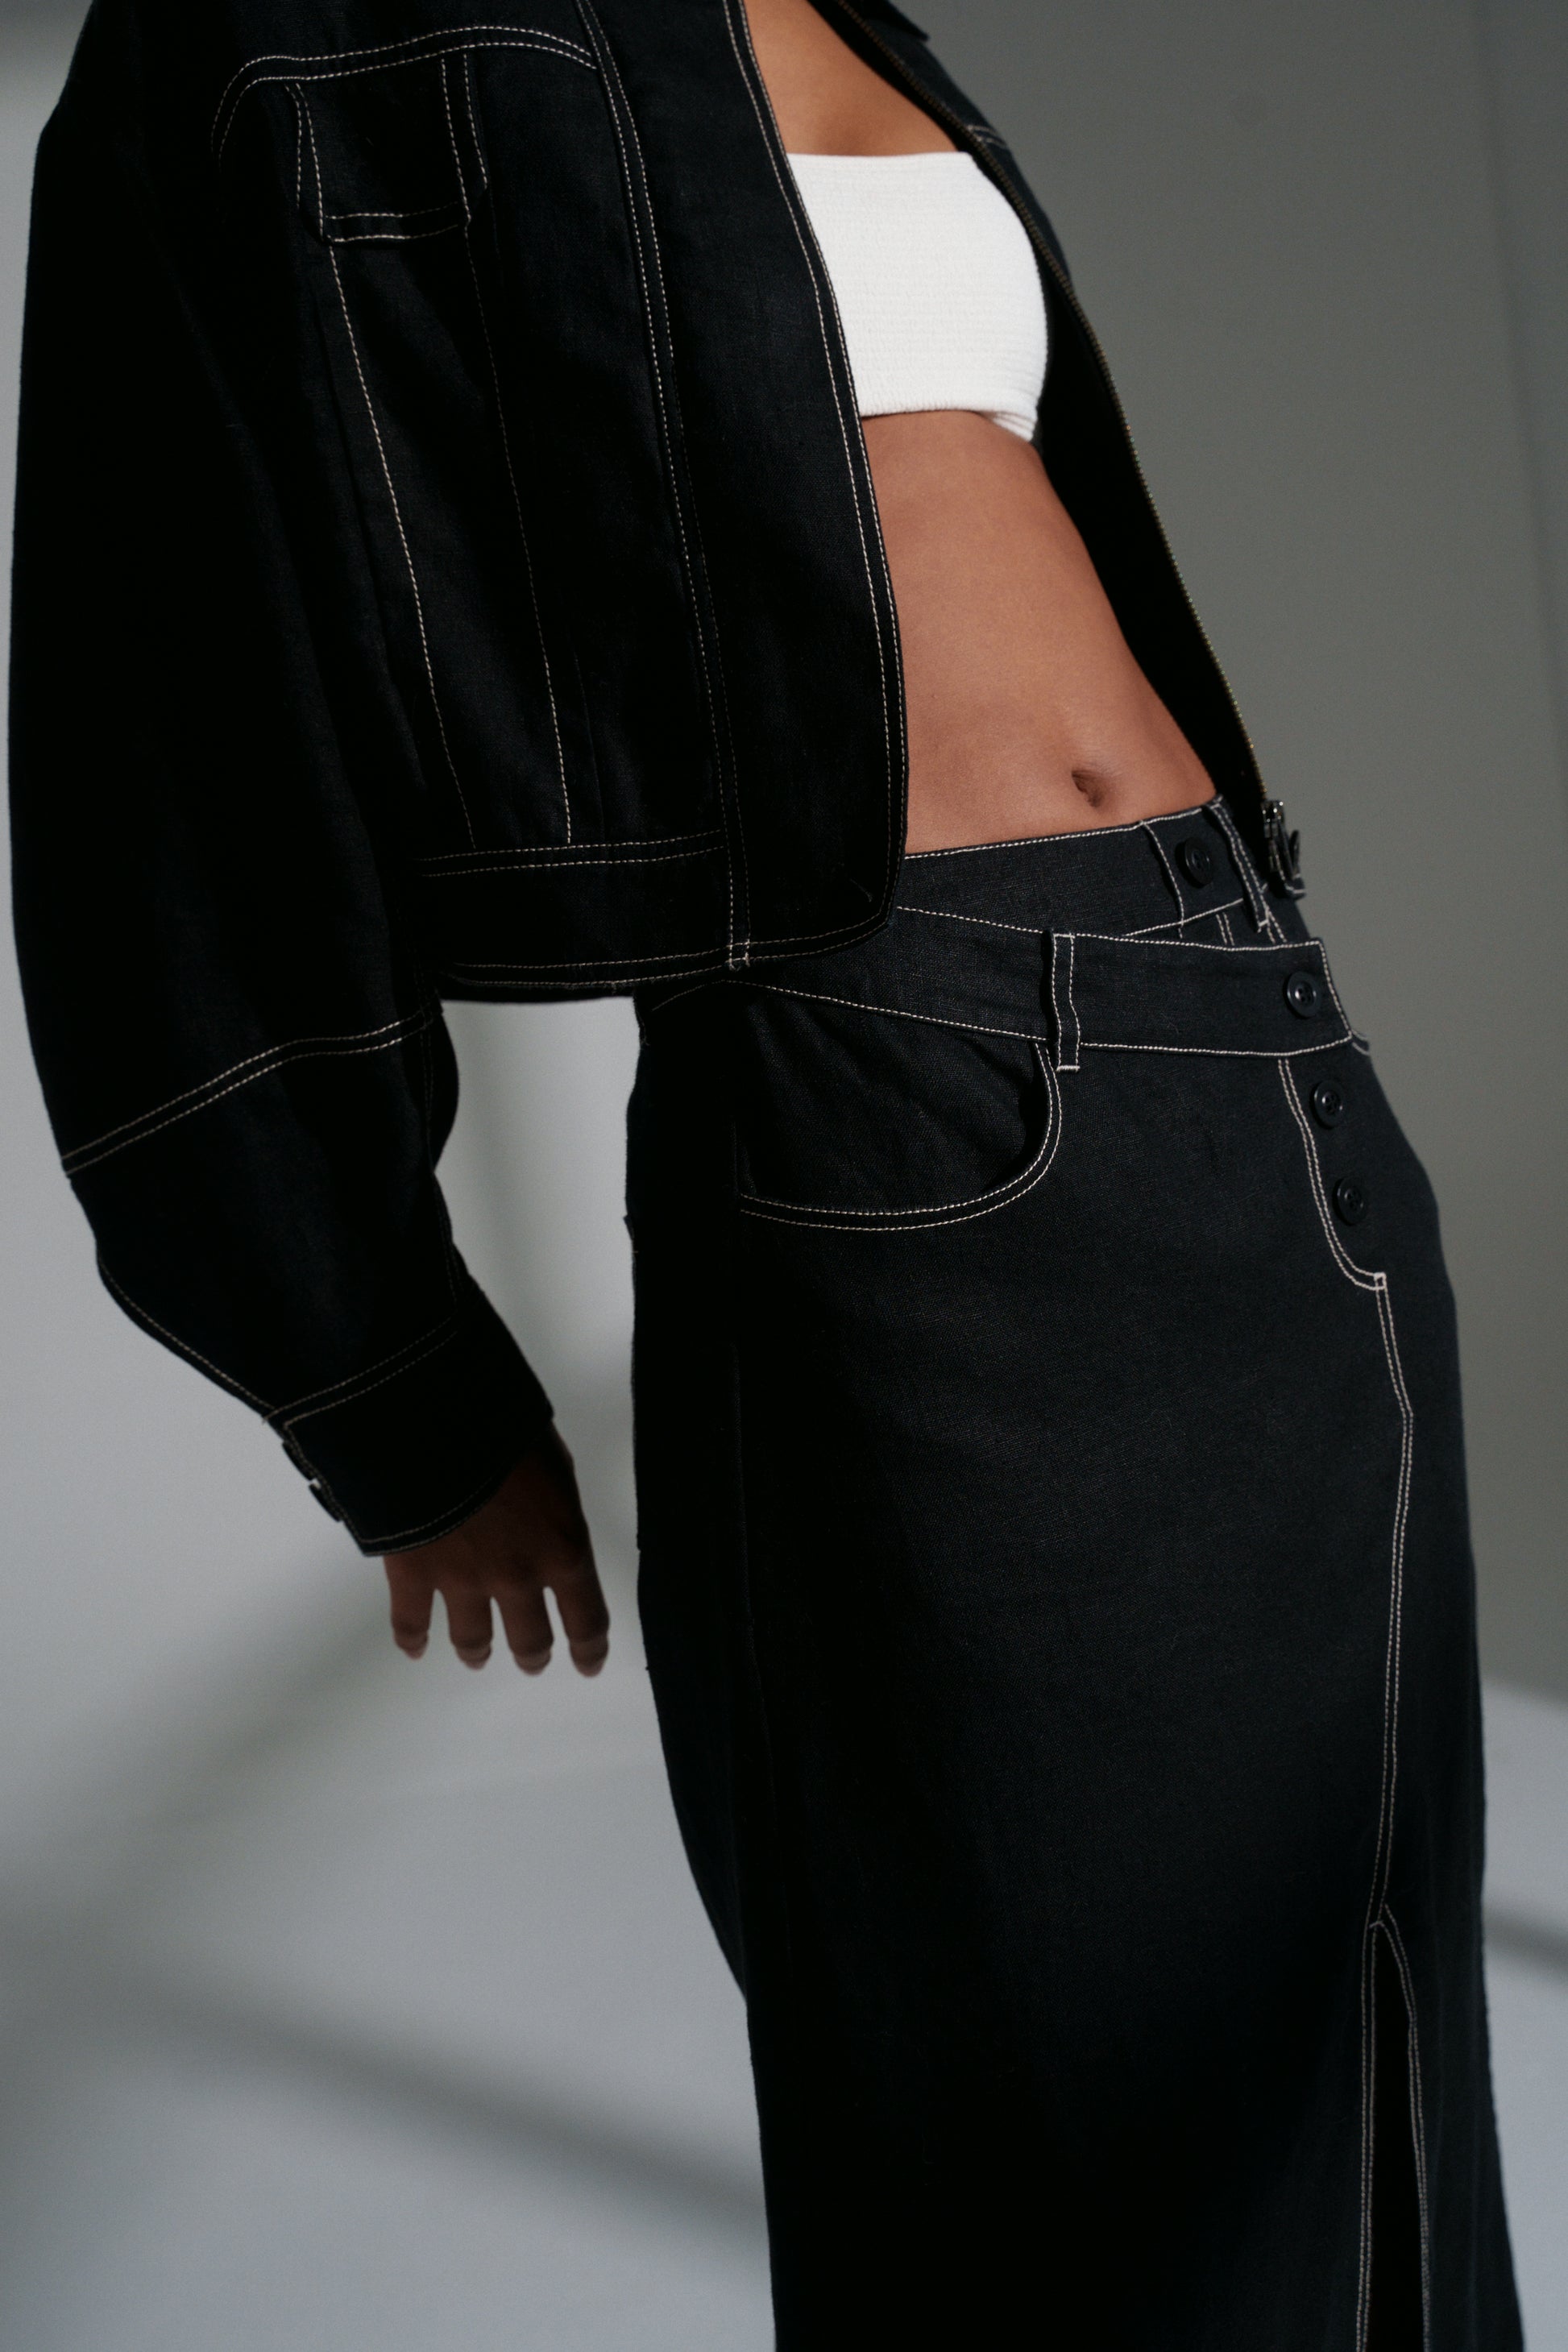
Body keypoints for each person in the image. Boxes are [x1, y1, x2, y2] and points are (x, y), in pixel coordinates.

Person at [10, 0, 1520, 2341]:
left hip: (1255, 1033)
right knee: (1029, 2130)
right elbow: (160, 732)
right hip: (896, 1082)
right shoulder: (256, 30)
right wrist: (373, 1366)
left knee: (1358, 2049)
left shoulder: (835, 2)